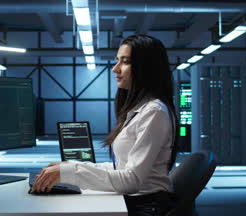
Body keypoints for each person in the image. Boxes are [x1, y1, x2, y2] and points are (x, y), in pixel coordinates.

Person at [32, 34, 179, 216]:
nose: (115, 69)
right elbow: (121, 169)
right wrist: (69, 166)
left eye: (125, 62)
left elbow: (131, 180)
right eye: (117, 61)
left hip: (146, 206)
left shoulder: (154, 112)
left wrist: (70, 172)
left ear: (146, 68)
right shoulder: (139, 110)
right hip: (137, 201)